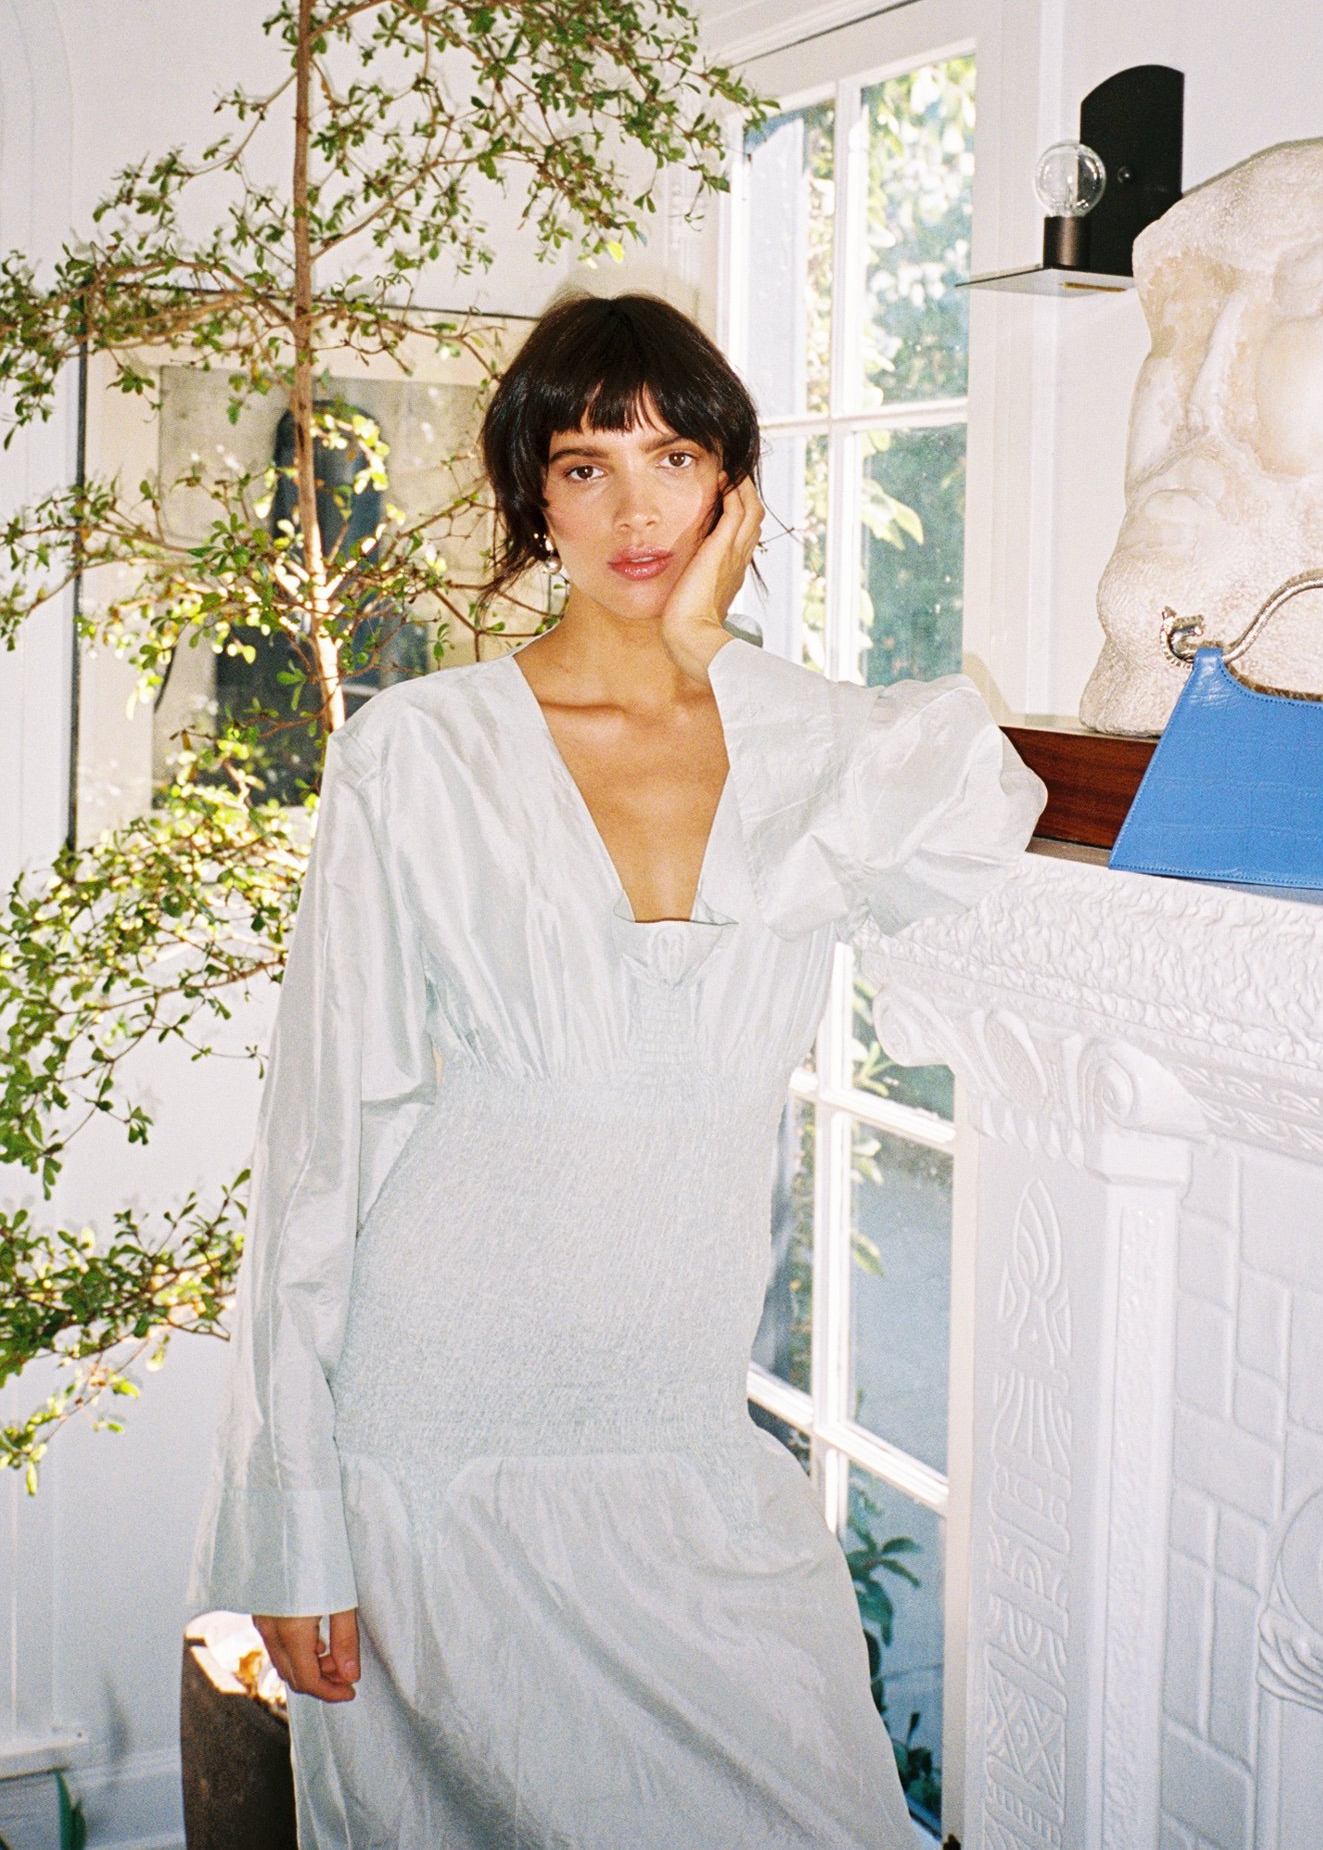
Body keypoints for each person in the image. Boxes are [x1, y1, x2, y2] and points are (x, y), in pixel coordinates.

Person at [189, 291, 1046, 1849]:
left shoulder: (805, 747)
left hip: (675, 1442)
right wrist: (298, 1525)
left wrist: (710, 647)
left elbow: (986, 801)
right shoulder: (422, 752)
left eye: (672, 456)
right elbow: (321, 1149)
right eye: (586, 466)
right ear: (535, 500)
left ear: (734, 483)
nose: (634, 507)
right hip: (435, 1440)